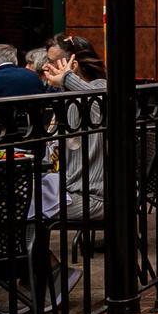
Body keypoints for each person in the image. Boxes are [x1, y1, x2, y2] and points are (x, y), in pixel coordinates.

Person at [40, 37, 107, 219]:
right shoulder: (68, 96)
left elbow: (103, 105)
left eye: (52, 62)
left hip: (94, 198)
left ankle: (33, 248)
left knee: (21, 204)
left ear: (73, 65)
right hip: (69, 190)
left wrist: (67, 78)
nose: (45, 67)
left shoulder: (99, 87)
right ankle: (35, 248)